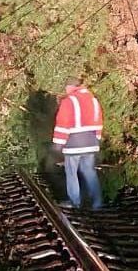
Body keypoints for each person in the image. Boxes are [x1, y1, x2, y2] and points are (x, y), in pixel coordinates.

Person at [52, 80, 103, 210]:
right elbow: (99, 121)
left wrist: (58, 144)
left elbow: (62, 124)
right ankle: (97, 202)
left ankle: (75, 202)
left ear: (70, 87)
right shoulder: (93, 100)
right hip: (91, 143)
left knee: (71, 172)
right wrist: (96, 139)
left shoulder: (69, 101)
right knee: (89, 171)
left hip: (73, 144)